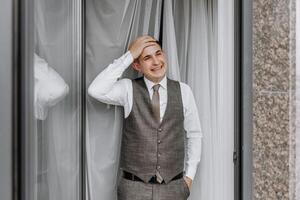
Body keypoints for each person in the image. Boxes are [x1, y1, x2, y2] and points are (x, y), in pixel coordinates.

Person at [88, 35, 202, 200]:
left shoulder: (184, 91)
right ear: (137, 65)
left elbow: (194, 134)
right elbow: (96, 90)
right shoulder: (128, 89)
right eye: (147, 58)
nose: (156, 62)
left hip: (174, 188)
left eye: (158, 53)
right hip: (134, 189)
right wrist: (129, 55)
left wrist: (189, 178)